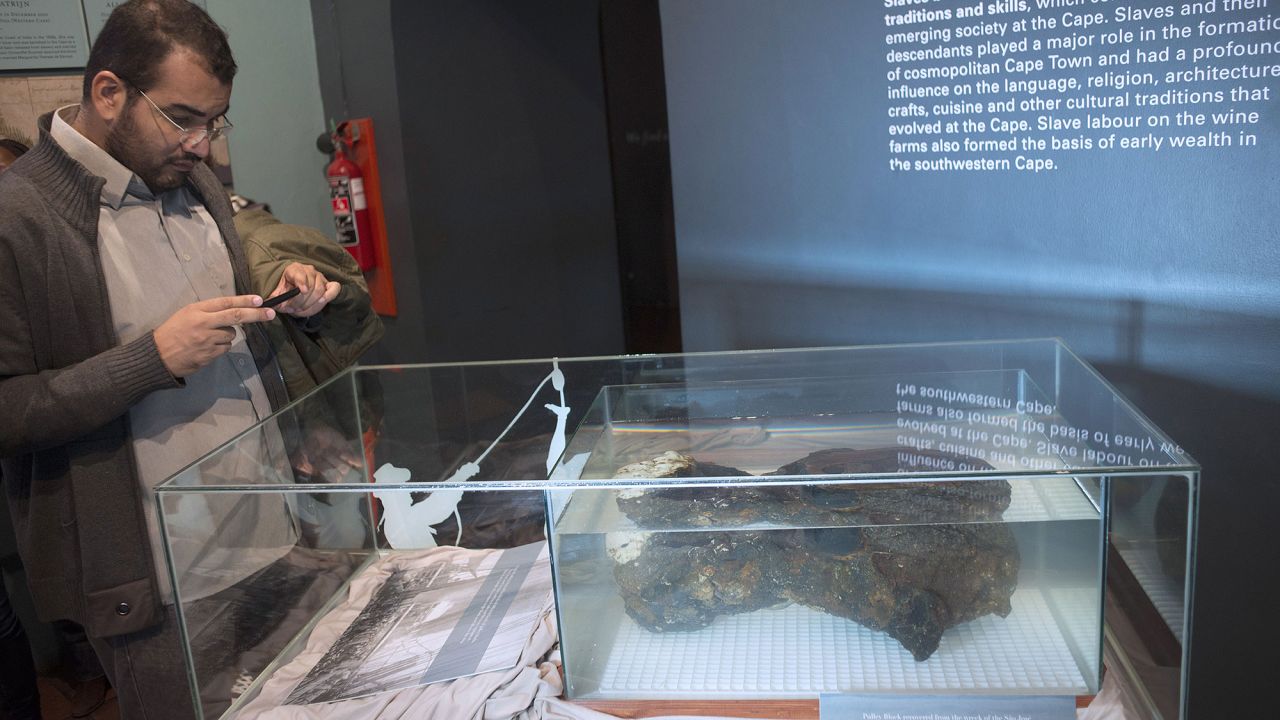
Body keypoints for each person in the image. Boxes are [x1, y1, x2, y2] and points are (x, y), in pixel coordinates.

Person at [0, 1, 349, 717]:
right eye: (183, 118)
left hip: (273, 534)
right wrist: (150, 360)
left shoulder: (192, 181)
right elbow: (9, 410)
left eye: (216, 122)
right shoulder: (18, 218)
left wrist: (283, 302)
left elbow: (220, 322)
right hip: (159, 586)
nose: (202, 144)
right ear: (108, 93)